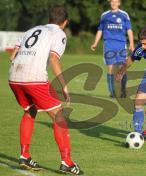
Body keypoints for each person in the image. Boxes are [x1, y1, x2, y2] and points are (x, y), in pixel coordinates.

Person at [9, 5, 83, 175]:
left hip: (14, 75)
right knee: (59, 116)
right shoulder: (58, 34)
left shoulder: (32, 29)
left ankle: (25, 156)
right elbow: (54, 59)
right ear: (65, 22)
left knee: (30, 110)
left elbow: (13, 55)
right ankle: (67, 162)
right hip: (33, 78)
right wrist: (63, 85)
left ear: (49, 19)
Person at [91, 0, 134, 98]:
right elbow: (100, 30)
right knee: (110, 68)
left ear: (119, 3)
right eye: (112, 1)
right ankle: (113, 92)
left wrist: (131, 43)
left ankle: (122, 91)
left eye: (116, 1)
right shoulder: (105, 15)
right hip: (108, 44)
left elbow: (129, 30)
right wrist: (95, 43)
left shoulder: (124, 15)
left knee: (121, 67)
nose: (113, 3)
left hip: (121, 44)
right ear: (110, 3)